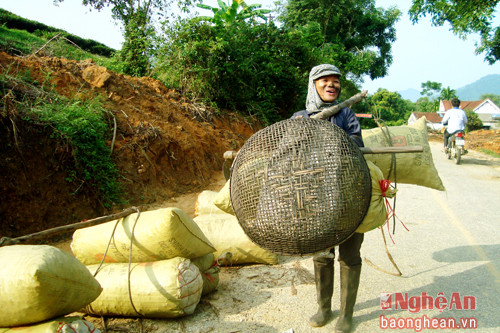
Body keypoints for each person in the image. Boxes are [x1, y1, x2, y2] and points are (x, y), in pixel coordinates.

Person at [291, 64, 364, 332]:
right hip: (316, 196)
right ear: (314, 85)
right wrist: (300, 130)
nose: (332, 85)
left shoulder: (346, 114)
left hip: (349, 193)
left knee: (350, 253)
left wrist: (333, 135)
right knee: (322, 253)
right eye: (325, 81)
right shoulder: (299, 116)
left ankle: (346, 314)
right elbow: (289, 152)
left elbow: (358, 143)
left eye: (336, 81)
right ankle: (324, 308)